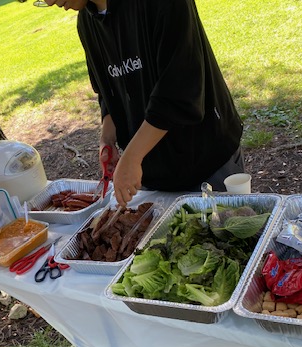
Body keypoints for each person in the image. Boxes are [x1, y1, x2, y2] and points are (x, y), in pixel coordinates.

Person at [45, 0, 244, 207]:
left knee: (228, 224)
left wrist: (132, 156)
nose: (50, 2)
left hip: (207, 161)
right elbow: (108, 90)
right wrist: (108, 138)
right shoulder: (87, 22)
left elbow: (180, 91)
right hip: (152, 173)